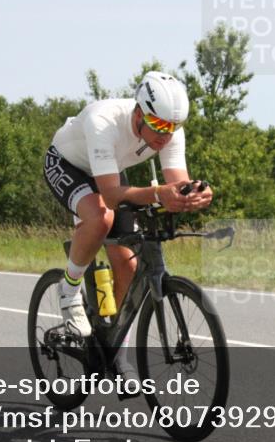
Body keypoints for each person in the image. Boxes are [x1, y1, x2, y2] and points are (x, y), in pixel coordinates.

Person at [42, 71, 213, 380]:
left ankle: (117, 352)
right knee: (100, 217)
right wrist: (160, 194)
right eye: (159, 125)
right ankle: (69, 289)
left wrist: (193, 195)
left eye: (173, 127)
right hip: (69, 165)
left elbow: (178, 184)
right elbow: (109, 195)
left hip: (109, 169)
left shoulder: (170, 132)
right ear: (139, 113)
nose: (165, 135)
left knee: (128, 266)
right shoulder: (103, 120)